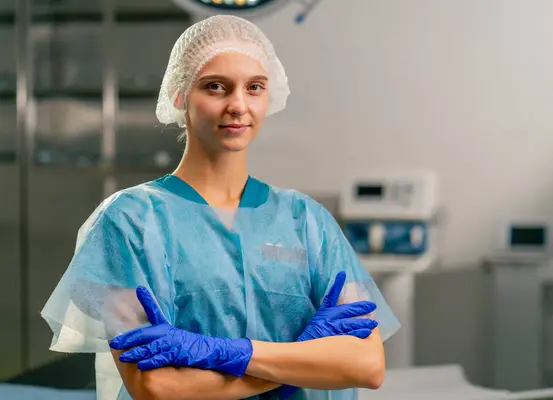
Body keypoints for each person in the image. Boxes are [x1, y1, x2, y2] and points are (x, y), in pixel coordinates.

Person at [40, 14, 400, 400]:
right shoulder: (129, 223)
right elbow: (156, 387)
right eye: (216, 87)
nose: (238, 106)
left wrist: (226, 354)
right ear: (180, 96)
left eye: (255, 87)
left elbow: (367, 365)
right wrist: (305, 358)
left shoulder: (307, 220)